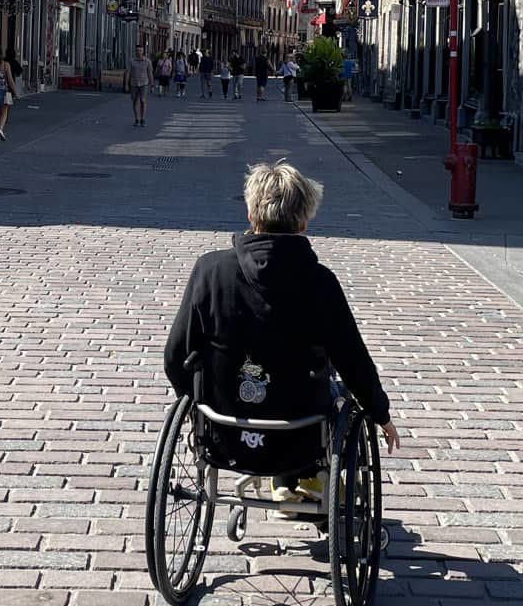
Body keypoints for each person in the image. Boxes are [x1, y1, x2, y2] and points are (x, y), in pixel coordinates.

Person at [164, 161, 400, 505]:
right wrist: (381, 413)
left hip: (224, 427)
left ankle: (287, 482)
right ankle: (306, 478)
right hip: (299, 433)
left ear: (249, 212)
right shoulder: (321, 283)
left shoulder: (210, 271)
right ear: (304, 221)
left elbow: (175, 355)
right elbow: (353, 359)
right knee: (333, 384)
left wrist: (192, 403)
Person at [128, 45, 154, 126]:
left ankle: (142, 119)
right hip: (134, 83)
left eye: (140, 50)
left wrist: (152, 84)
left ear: (143, 51)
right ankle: (136, 119)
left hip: (144, 83)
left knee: (143, 100)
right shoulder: (132, 61)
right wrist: (126, 84)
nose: (138, 52)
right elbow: (128, 73)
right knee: (135, 101)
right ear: (135, 51)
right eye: (137, 50)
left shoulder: (147, 61)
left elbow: (150, 73)